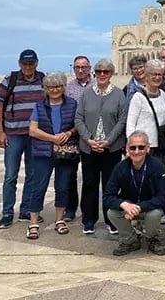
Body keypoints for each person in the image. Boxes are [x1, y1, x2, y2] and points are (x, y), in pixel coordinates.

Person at [75, 58, 129, 235]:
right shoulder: (86, 94)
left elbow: (122, 121)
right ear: (95, 74)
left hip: (111, 148)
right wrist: (89, 139)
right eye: (99, 72)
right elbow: (79, 119)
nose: (102, 75)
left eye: (106, 72)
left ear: (111, 74)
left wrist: (109, 141)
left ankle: (111, 219)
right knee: (89, 184)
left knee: (110, 185)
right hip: (89, 148)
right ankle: (88, 220)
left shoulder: (119, 95)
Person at [0, 49, 45, 228]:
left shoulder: (43, 80)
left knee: (32, 174)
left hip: (35, 136)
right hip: (14, 135)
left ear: (36, 63)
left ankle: (26, 210)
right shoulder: (11, 79)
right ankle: (7, 212)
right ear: (19, 63)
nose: (28, 67)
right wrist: (0, 131)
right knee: (10, 175)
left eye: (31, 63)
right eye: (25, 64)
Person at [26, 72, 78, 240]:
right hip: (43, 151)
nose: (54, 90)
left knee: (62, 186)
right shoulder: (39, 105)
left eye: (58, 86)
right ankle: (33, 222)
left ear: (63, 87)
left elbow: (78, 125)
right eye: (50, 87)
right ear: (45, 89)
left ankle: (59, 220)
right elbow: (32, 130)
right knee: (39, 186)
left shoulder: (72, 104)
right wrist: (53, 138)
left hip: (65, 152)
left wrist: (68, 133)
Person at [103, 131, 165, 256]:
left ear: (148, 149)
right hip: (129, 206)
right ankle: (131, 240)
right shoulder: (120, 168)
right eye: (132, 147)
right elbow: (107, 197)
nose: (136, 151)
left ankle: (152, 238)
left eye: (141, 147)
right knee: (111, 212)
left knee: (155, 214)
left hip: (150, 207)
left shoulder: (158, 166)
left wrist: (140, 207)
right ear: (127, 149)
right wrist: (123, 204)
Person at [63, 54, 92, 221]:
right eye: (77, 67)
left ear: (89, 68)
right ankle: (70, 208)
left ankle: (88, 212)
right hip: (73, 136)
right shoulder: (68, 87)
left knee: (89, 176)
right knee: (70, 175)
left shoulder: (96, 85)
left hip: (90, 137)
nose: (80, 70)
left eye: (84, 67)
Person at [127, 59, 165, 170]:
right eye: (154, 74)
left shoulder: (163, 95)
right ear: (146, 76)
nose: (157, 77)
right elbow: (130, 124)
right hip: (143, 148)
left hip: (160, 147)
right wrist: (131, 147)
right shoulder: (138, 97)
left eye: (159, 74)